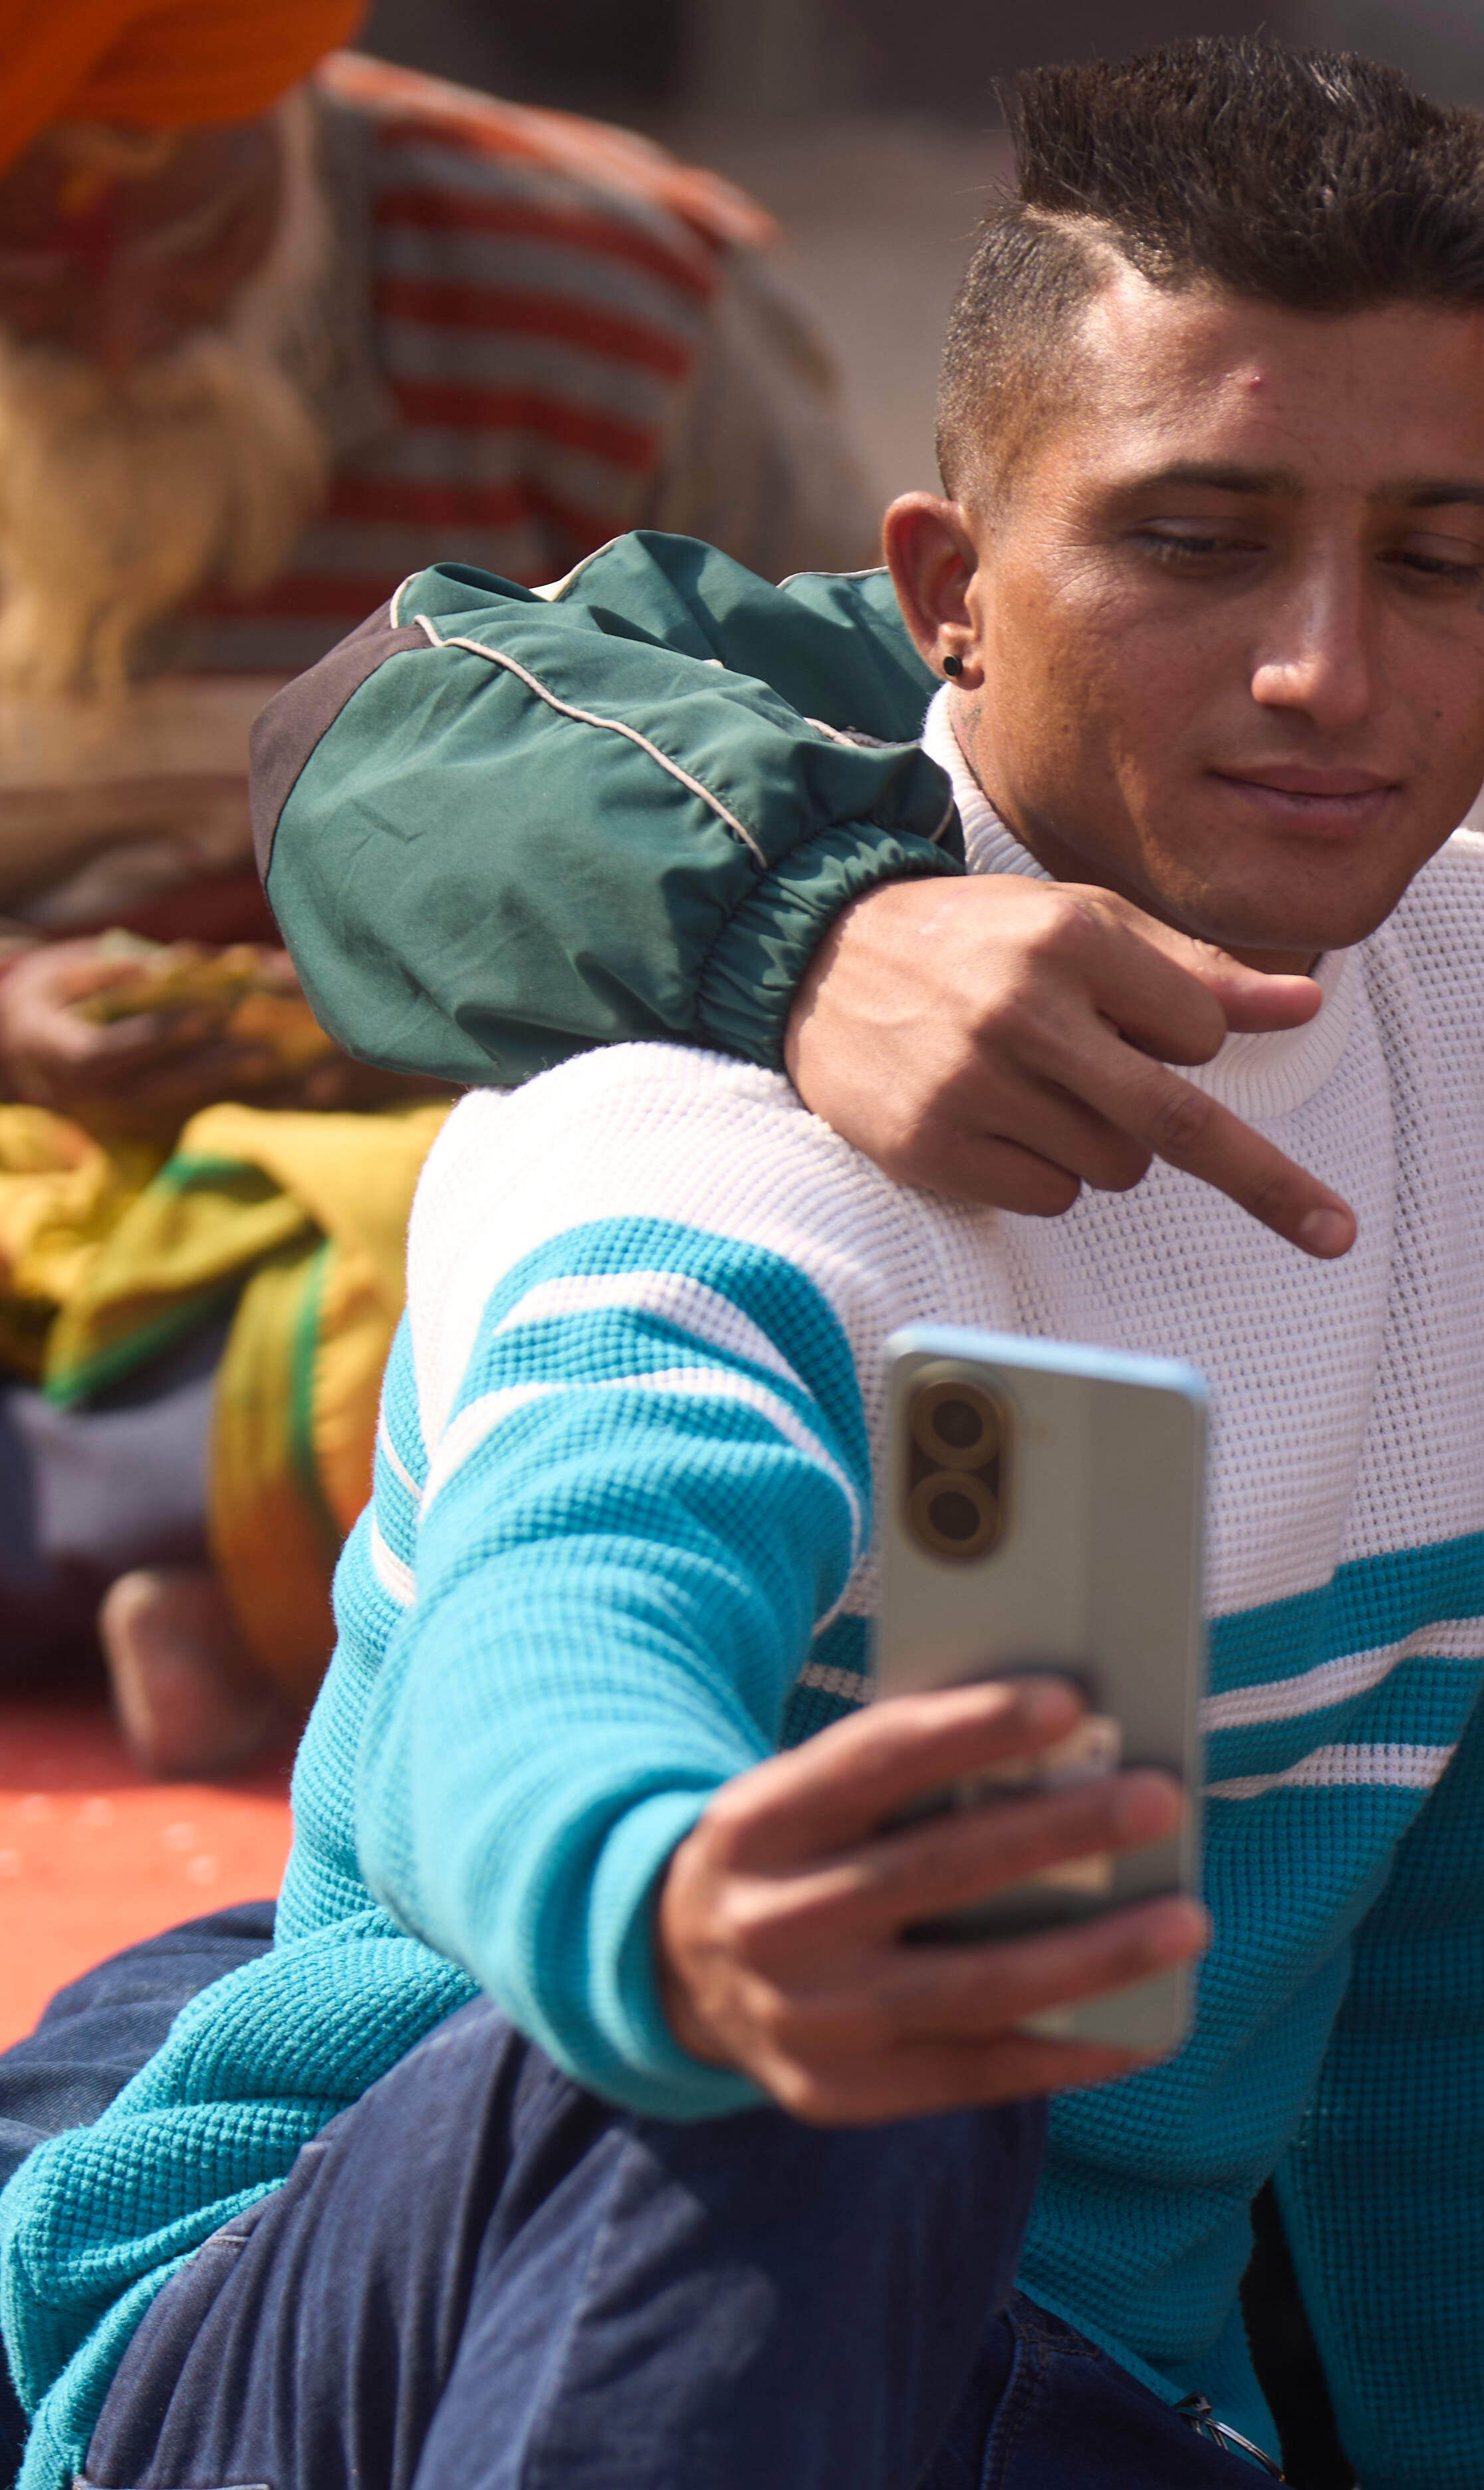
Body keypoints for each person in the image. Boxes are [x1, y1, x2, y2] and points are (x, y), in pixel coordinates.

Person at [223, 51, 1484, 2332]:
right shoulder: (1140, 749)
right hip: (759, 2177)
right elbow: (377, 737)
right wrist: (814, 931)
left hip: (1409, 2248)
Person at [0, 41, 1484, 2490]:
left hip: (1040, 2396)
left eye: (1431, 559)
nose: (1331, 668)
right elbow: (560, 1645)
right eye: (1198, 541)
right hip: (410, 2353)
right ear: (945, 596)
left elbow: (1478, 1953)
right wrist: (682, 1911)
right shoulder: (741, 1107)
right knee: (873, 2034)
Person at [0, 0, 872, 1771]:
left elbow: (850, 817)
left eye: (173, 224)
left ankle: (212, 1541)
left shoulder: (615, 304)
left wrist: (364, 1029)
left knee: (658, 1249)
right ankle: (238, 1566)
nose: (111, 315)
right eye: (22, 254)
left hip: (450, 1137)